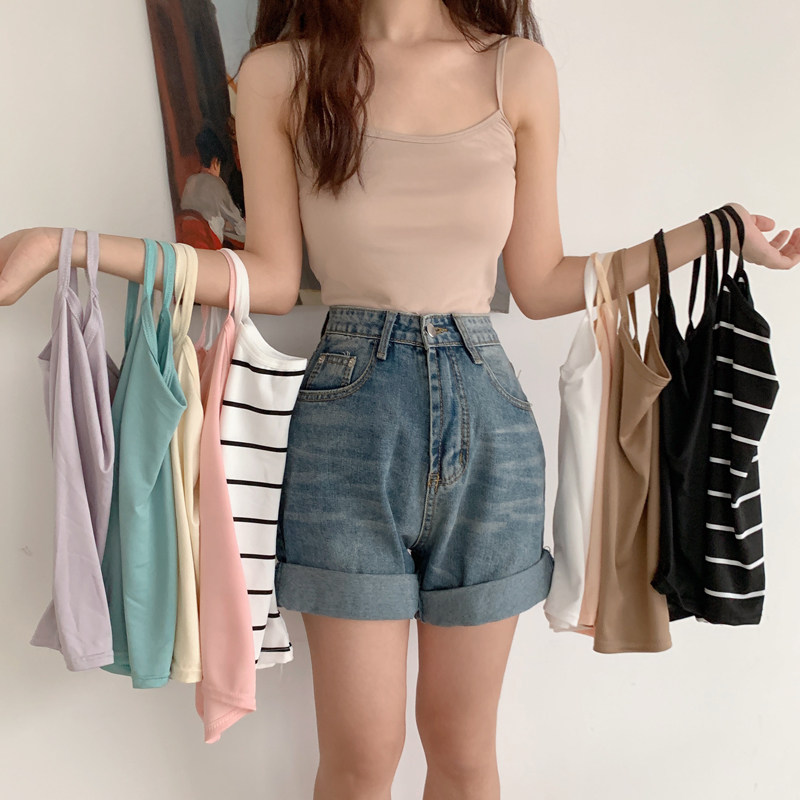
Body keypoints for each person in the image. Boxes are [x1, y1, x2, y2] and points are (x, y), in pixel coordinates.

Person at [1, 2, 798, 798]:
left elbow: (542, 282)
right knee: (359, 762)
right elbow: (270, 278)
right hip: (346, 429)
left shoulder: (517, 69)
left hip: (491, 430)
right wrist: (64, 247)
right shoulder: (282, 74)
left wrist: (710, 234)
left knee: (463, 753)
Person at [180, 125, 247, 246]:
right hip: (209, 245)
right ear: (215, 162)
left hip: (188, 245)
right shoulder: (216, 184)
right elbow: (240, 228)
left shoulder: (190, 182)